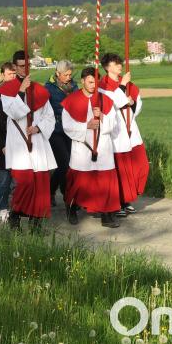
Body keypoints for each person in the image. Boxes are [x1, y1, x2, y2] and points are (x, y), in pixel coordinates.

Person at [0, 62, 57, 230]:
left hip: (38, 144)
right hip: (19, 146)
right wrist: (21, 90)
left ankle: (36, 224)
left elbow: (49, 116)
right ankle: (15, 216)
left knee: (40, 187)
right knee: (25, 185)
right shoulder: (8, 90)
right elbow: (15, 112)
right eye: (21, 66)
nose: (25, 68)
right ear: (15, 68)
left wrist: (38, 128)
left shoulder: (39, 90)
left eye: (27, 65)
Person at [62, 67, 121, 228]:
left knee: (105, 182)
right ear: (82, 81)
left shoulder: (106, 100)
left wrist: (102, 116)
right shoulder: (72, 100)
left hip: (102, 147)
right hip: (83, 147)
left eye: (96, 82)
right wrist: (86, 126)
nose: (93, 85)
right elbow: (66, 125)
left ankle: (107, 215)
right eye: (90, 81)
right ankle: (72, 207)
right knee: (80, 181)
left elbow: (114, 124)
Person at [99, 53, 149, 216]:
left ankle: (128, 196)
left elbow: (137, 104)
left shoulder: (130, 85)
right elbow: (112, 104)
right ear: (107, 67)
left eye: (120, 63)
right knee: (120, 168)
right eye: (115, 63)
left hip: (131, 129)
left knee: (141, 165)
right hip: (116, 131)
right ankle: (120, 202)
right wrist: (122, 87)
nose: (119, 66)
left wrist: (132, 103)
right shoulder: (103, 86)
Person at [45, 60, 78, 207]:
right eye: (66, 75)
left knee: (67, 164)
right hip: (55, 129)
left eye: (70, 74)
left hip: (71, 129)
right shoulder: (48, 87)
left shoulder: (74, 85)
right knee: (64, 164)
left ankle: (50, 190)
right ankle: (67, 197)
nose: (69, 77)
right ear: (58, 74)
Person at [0, 62, 18, 222]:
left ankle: (16, 207)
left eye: (14, 74)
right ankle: (2, 207)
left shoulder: (21, 91)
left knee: (17, 179)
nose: (12, 77)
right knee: (4, 179)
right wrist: (1, 144)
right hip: (3, 145)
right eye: (9, 74)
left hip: (18, 145)